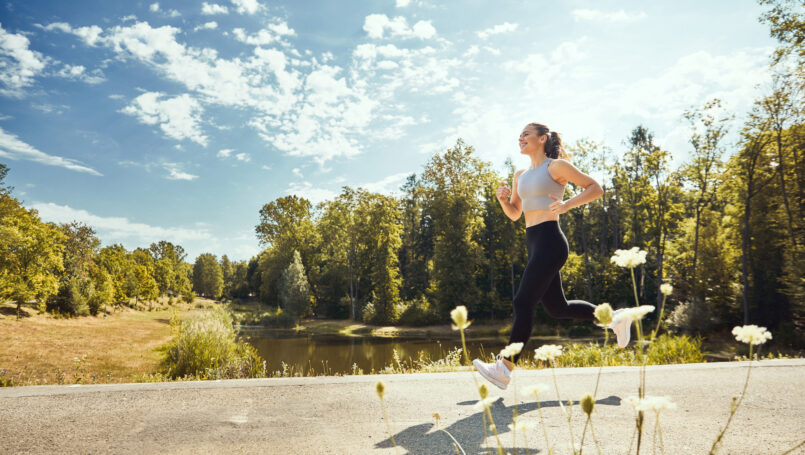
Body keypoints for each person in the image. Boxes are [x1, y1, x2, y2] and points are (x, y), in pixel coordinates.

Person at [472, 122, 633, 390]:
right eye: (519, 134)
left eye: (526, 134)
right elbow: (515, 214)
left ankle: (504, 367)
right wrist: (503, 200)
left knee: (523, 302)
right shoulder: (520, 175)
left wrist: (567, 204)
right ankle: (614, 318)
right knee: (558, 308)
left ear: (542, 138)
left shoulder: (555, 166)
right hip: (534, 242)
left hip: (551, 241)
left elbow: (595, 188)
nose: (520, 137)